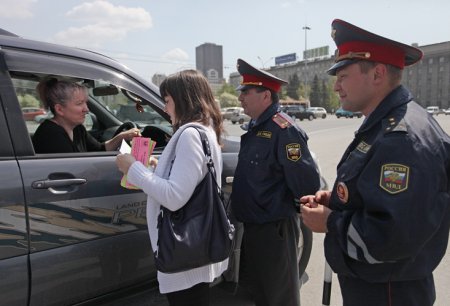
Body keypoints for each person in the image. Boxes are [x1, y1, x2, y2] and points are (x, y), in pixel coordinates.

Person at [300, 19, 450, 306]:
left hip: (388, 292)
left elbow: (390, 236)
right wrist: (336, 201)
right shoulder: (385, 124)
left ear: (378, 73)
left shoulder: (401, 138)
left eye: (343, 76)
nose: (336, 87)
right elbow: (382, 197)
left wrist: (331, 222)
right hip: (381, 285)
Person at [115, 69, 227, 306]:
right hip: (195, 253)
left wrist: (133, 167)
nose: (165, 108)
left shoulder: (190, 135)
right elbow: (190, 181)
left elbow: (174, 197)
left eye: (167, 101)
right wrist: (158, 169)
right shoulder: (205, 130)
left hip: (184, 258)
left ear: (184, 99)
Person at [230, 59, 320, 306]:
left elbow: (306, 184)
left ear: (266, 96)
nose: (240, 98)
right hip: (253, 228)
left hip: (274, 230)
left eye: (246, 92)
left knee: (279, 297)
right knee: (258, 294)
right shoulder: (256, 128)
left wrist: (282, 210)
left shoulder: (285, 130)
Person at [32, 78, 140, 153]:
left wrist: (122, 136)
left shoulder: (77, 128)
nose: (87, 109)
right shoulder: (51, 135)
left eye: (86, 103)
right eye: (79, 103)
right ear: (59, 109)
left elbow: (99, 149)